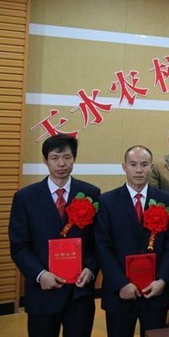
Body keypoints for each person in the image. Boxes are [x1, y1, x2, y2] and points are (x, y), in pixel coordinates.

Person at [9, 134, 100, 337]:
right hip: (43, 292)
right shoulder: (26, 198)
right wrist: (40, 274)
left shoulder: (91, 193)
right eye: (55, 157)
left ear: (74, 159)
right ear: (45, 161)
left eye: (67, 157)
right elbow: (19, 245)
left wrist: (91, 269)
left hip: (79, 292)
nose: (61, 163)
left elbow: (98, 241)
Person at [95, 146, 169, 337]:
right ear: (124, 167)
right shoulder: (107, 201)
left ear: (151, 167)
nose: (139, 170)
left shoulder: (166, 200)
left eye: (144, 164)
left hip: (155, 291)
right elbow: (102, 247)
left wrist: (162, 280)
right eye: (133, 164)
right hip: (120, 292)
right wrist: (121, 283)